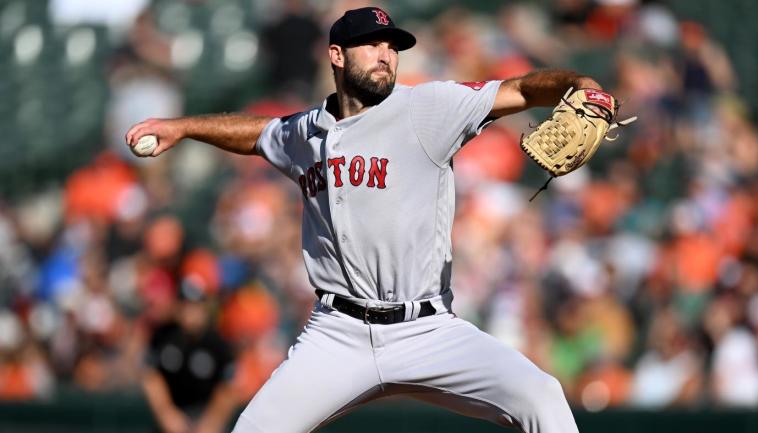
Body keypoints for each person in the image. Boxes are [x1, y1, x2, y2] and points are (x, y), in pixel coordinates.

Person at [127, 6, 602, 432]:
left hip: (427, 329)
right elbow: (260, 133)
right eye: (372, 44)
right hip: (338, 334)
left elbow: (517, 89)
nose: (386, 54)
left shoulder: (427, 108)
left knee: (541, 396)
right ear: (337, 55)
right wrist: (183, 127)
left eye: (392, 46)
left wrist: (578, 85)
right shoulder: (307, 131)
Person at [143, 278, 237, 433]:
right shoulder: (163, 335)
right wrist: (166, 412)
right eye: (184, 305)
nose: (189, 311)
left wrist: (211, 422)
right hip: (173, 418)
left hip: (204, 416)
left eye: (194, 305)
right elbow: (151, 376)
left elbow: (228, 388)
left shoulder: (217, 343)